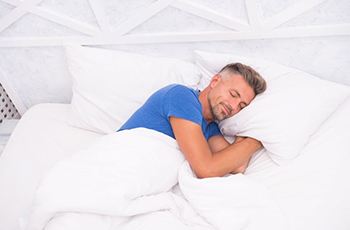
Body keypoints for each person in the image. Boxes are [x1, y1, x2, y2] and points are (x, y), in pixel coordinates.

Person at [118, 63, 266, 178]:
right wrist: (256, 141)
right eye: (233, 94)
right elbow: (206, 169)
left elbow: (238, 166)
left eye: (241, 106)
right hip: (121, 161)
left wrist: (249, 132)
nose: (233, 106)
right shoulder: (181, 96)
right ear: (215, 81)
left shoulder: (210, 128)